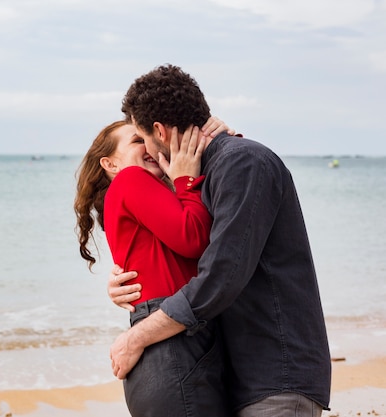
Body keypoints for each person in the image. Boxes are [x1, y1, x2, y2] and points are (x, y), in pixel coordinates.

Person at [108, 64, 331, 417]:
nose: (147, 150)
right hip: (239, 376)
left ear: (159, 131)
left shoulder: (243, 162)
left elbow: (221, 276)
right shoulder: (206, 173)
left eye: (142, 137)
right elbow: (183, 252)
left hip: (276, 374)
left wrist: (139, 335)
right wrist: (124, 280)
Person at [74, 118, 234, 416]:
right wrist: (187, 181)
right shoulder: (130, 179)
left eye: (147, 138)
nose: (148, 145)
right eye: (137, 141)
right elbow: (194, 239)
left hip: (171, 337)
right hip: (171, 343)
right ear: (110, 164)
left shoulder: (150, 194)